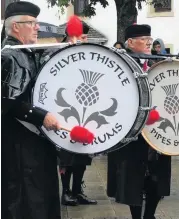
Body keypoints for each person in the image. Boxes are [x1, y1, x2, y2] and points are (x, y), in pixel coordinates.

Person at [1, 2, 61, 219]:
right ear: (16, 27)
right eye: (32, 23)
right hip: (19, 144)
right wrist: (41, 116)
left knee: (39, 197)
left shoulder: (25, 53)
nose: (38, 27)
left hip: (34, 141)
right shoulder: (9, 56)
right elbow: (6, 100)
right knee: (24, 201)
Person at [107, 24, 171, 219]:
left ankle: (149, 214)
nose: (148, 43)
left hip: (157, 129)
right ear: (131, 42)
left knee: (157, 176)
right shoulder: (120, 64)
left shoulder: (158, 64)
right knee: (133, 178)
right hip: (131, 131)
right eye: (144, 39)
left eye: (150, 39)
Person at [40, 19, 98, 206]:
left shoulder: (88, 54)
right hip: (62, 110)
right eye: (82, 36)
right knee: (66, 157)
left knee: (82, 155)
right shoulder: (54, 53)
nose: (85, 39)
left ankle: (77, 191)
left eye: (86, 36)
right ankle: (65, 192)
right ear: (70, 36)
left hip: (84, 109)